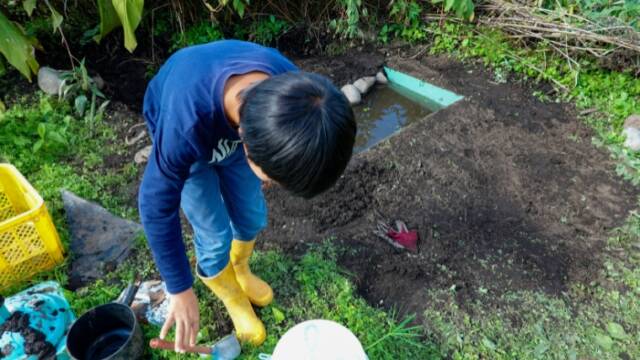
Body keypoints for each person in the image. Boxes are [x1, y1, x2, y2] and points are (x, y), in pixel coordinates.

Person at [139, 40, 356, 352]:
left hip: (232, 127)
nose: (275, 185)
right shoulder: (183, 126)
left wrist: (274, 169)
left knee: (251, 214)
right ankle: (232, 297)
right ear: (248, 148)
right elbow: (155, 205)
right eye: (274, 177)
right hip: (186, 131)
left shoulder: (296, 92)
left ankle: (241, 269)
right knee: (214, 233)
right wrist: (180, 289)